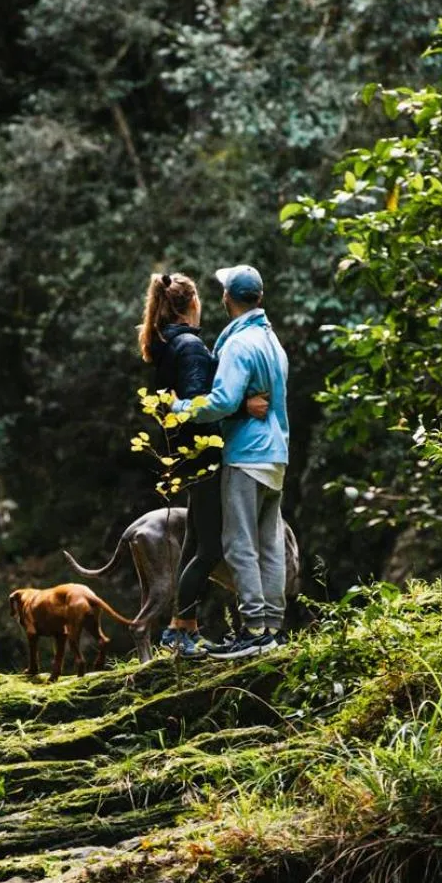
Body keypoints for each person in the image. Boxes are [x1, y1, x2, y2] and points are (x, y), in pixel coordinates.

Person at [138, 271, 268, 660]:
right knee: (211, 545)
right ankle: (178, 630)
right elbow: (198, 405)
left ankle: (186, 627)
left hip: (183, 454)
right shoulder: (192, 346)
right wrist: (244, 407)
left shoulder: (166, 343)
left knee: (196, 539)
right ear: (191, 304)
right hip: (202, 455)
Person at [171, 264, 289, 660]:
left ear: (227, 298)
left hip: (246, 454)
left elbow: (221, 401)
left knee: (239, 545)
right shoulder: (272, 342)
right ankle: (272, 628)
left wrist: (181, 407)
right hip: (276, 455)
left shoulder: (239, 345)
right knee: (270, 543)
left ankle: (253, 630)